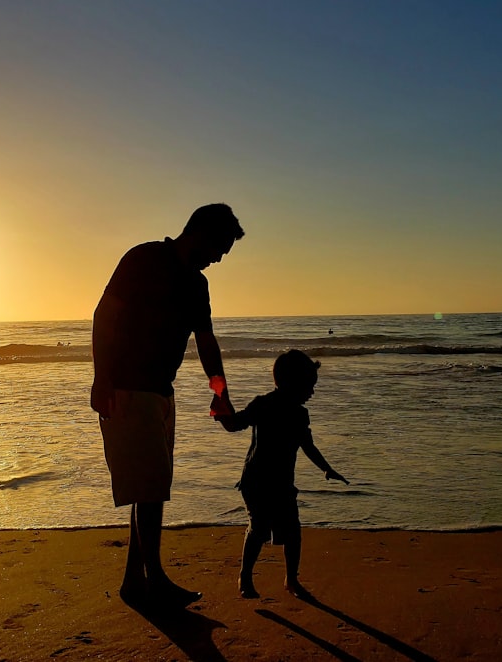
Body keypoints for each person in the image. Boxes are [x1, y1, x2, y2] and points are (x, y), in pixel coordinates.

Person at [91, 203, 244, 608]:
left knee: (149, 487)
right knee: (152, 488)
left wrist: (220, 391)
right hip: (127, 387)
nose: (219, 258)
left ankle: (133, 580)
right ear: (200, 232)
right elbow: (104, 315)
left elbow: (206, 342)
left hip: (162, 390)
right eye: (220, 247)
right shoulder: (143, 259)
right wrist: (100, 377)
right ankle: (154, 579)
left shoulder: (197, 285)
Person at [214, 349, 349, 599]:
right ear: (292, 383)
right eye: (309, 386)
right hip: (255, 481)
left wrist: (327, 468)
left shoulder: (299, 414)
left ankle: (291, 579)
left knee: (292, 532)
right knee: (259, 529)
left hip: (282, 484)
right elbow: (236, 423)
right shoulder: (263, 405)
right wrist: (221, 412)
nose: (312, 392)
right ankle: (245, 576)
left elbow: (308, 446)